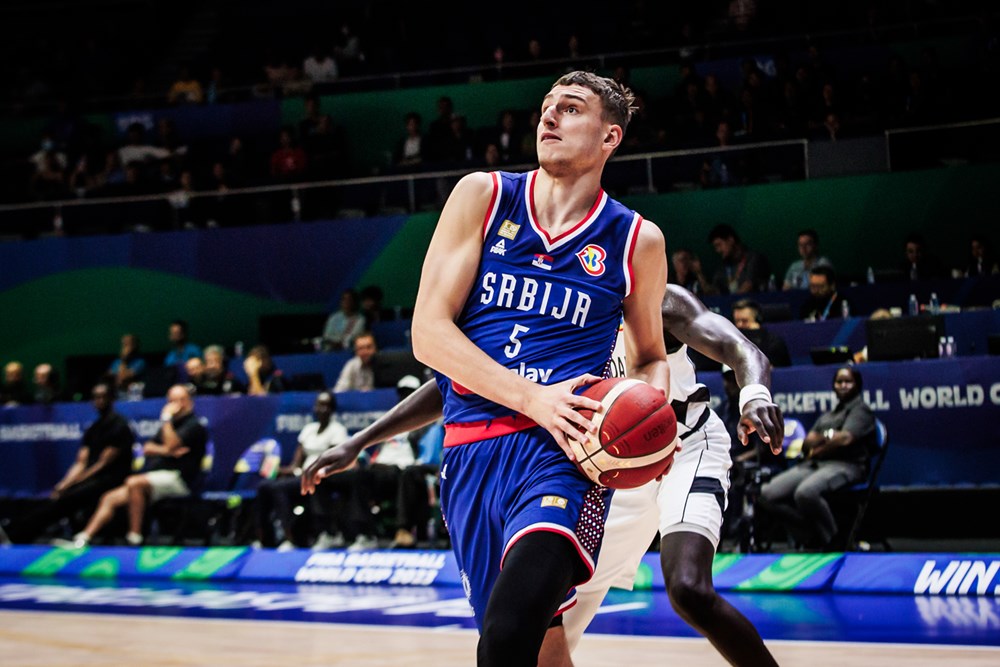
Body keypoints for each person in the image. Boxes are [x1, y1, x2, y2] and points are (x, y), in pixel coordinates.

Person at [303, 284, 784, 667]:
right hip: (604, 477)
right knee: (532, 641)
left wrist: (754, 395)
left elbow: (741, 348)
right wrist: (360, 440)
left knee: (688, 589)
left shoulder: (659, 300)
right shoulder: (552, 318)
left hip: (684, 450)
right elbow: (459, 380)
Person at [409, 71, 672, 666]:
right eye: (546, 107)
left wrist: (658, 415)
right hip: (472, 451)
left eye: (570, 109)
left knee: (507, 636)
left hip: (567, 453)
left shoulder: (636, 239)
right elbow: (428, 333)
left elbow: (652, 356)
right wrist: (534, 398)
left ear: (610, 138)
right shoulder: (484, 195)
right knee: (545, 647)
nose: (548, 118)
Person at [56, 384, 208, 548]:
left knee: (134, 482)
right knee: (110, 498)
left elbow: (171, 444)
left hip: (181, 480)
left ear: (189, 402)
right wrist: (168, 450)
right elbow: (148, 448)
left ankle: (134, 539)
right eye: (171, 400)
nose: (175, 404)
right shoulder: (169, 427)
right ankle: (83, 539)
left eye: (180, 400)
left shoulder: (194, 425)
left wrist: (166, 420)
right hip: (154, 479)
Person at [758, 366, 876, 551]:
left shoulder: (861, 411)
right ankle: (811, 536)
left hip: (847, 465)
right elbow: (807, 442)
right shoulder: (829, 415)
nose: (843, 385)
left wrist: (821, 442)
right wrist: (829, 437)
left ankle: (836, 541)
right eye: (839, 382)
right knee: (767, 494)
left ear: (857, 385)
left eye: (848, 381)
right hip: (815, 464)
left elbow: (845, 439)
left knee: (805, 492)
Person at [2, 383, 135, 544]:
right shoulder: (93, 428)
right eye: (95, 397)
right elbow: (81, 462)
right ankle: (14, 533)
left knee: (70, 497)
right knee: (57, 495)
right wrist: (65, 484)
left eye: (103, 397)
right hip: (90, 478)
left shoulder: (119, 425)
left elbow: (103, 464)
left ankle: (16, 535)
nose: (99, 401)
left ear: (111, 399)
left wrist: (78, 483)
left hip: (110, 478)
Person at [253, 391, 348, 551]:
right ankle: (266, 539)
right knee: (264, 486)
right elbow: (297, 461)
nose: (322, 409)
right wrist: (284, 470)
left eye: (326, 405)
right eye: (319, 405)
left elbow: (333, 460)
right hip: (302, 476)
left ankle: (290, 538)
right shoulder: (309, 429)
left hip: (322, 477)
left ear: (332, 409)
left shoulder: (337, 430)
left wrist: (312, 471)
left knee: (279, 489)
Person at [707, 223, 771, 294]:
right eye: (715, 248)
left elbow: (748, 285)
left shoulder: (754, 258)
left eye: (719, 245)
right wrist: (699, 273)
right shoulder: (723, 267)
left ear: (731, 240)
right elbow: (714, 291)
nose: (718, 250)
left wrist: (730, 303)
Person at [732, 299, 792, 367]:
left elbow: (785, 369)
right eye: (737, 321)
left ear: (757, 319)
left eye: (744, 321)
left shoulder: (774, 342)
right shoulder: (731, 341)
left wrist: (754, 333)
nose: (739, 325)